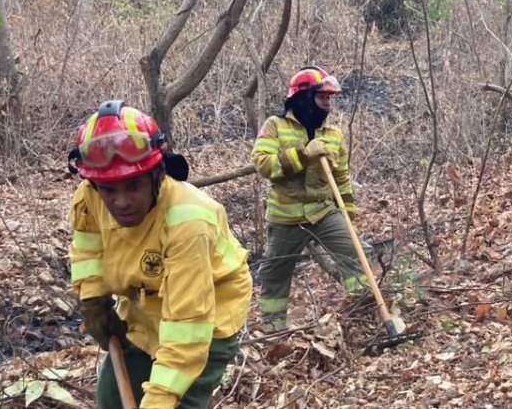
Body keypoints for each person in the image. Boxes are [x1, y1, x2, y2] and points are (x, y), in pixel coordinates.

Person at [67, 100, 252, 408]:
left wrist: (159, 402)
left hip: (205, 322)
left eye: (133, 186)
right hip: (145, 312)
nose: (121, 201)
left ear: (157, 173)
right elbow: (88, 248)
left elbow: (186, 331)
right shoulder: (90, 196)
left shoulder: (188, 221)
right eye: (109, 190)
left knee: (173, 402)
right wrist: (93, 300)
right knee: (112, 400)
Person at [251, 66, 368, 330]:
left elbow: (341, 178)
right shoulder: (275, 126)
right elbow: (262, 164)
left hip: (324, 212)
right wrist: (302, 155)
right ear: (304, 98)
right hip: (286, 218)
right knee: (275, 275)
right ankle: (272, 329)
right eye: (322, 97)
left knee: (357, 255)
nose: (327, 103)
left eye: (329, 98)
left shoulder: (333, 135)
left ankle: (364, 313)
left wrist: (347, 212)